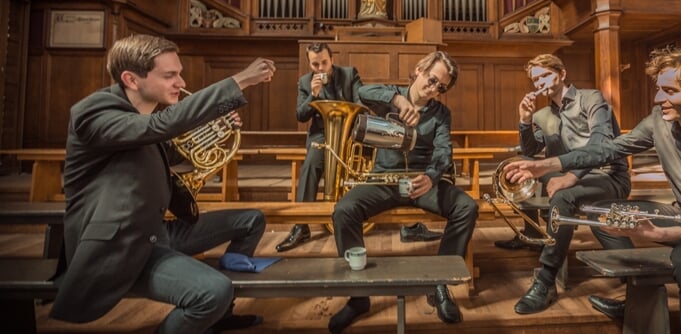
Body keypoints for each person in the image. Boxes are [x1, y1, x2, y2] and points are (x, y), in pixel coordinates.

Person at [504, 46, 681, 334]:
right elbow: (608, 148)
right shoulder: (657, 122)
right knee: (604, 210)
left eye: (670, 91)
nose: (658, 98)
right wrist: (546, 165)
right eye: (659, 89)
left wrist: (663, 234)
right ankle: (637, 295)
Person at [49, 34, 276, 334]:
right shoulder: (93, 113)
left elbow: (179, 154)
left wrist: (215, 125)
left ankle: (217, 317)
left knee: (250, 219)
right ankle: (209, 306)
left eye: (179, 73)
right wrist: (240, 80)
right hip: (121, 246)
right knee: (213, 291)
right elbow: (160, 127)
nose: (180, 82)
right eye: (170, 75)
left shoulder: (144, 118)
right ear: (131, 79)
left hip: (159, 231)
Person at [328, 51, 478, 333]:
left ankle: (439, 285)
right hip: (383, 180)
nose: (433, 89)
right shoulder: (387, 95)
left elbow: (444, 153)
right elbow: (361, 90)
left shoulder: (442, 114)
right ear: (420, 69)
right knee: (344, 210)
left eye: (441, 88)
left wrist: (432, 177)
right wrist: (397, 99)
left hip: (422, 182)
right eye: (432, 80)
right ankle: (358, 298)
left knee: (466, 208)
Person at [503, 54, 630, 315]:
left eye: (545, 75)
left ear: (561, 74)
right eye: (535, 79)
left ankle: (546, 280)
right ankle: (532, 232)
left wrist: (571, 177)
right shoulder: (543, 114)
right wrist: (525, 121)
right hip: (568, 175)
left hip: (608, 174)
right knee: (520, 166)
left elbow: (601, 144)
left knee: (566, 199)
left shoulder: (591, 98)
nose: (540, 82)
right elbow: (529, 149)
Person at [276, 42, 363, 252]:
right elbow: (300, 115)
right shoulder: (306, 82)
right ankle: (301, 226)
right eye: (315, 64)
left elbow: (361, 104)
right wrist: (313, 94)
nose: (321, 68)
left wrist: (352, 132)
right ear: (310, 64)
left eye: (324, 62)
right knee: (311, 165)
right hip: (321, 135)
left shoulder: (349, 74)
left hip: (349, 132)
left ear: (331, 59)